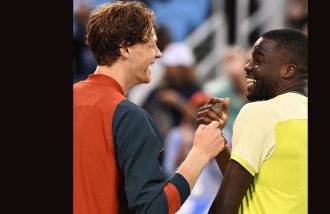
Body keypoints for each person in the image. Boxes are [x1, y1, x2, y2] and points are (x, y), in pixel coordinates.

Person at [73, 2, 226, 214]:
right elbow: (153, 209)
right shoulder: (129, 117)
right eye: (152, 44)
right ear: (125, 48)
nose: (158, 54)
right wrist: (200, 153)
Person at [197, 28, 308, 213]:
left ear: (288, 70)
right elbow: (252, 187)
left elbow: (225, 206)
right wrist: (219, 141)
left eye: (258, 60)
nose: (247, 66)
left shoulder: (260, 113)